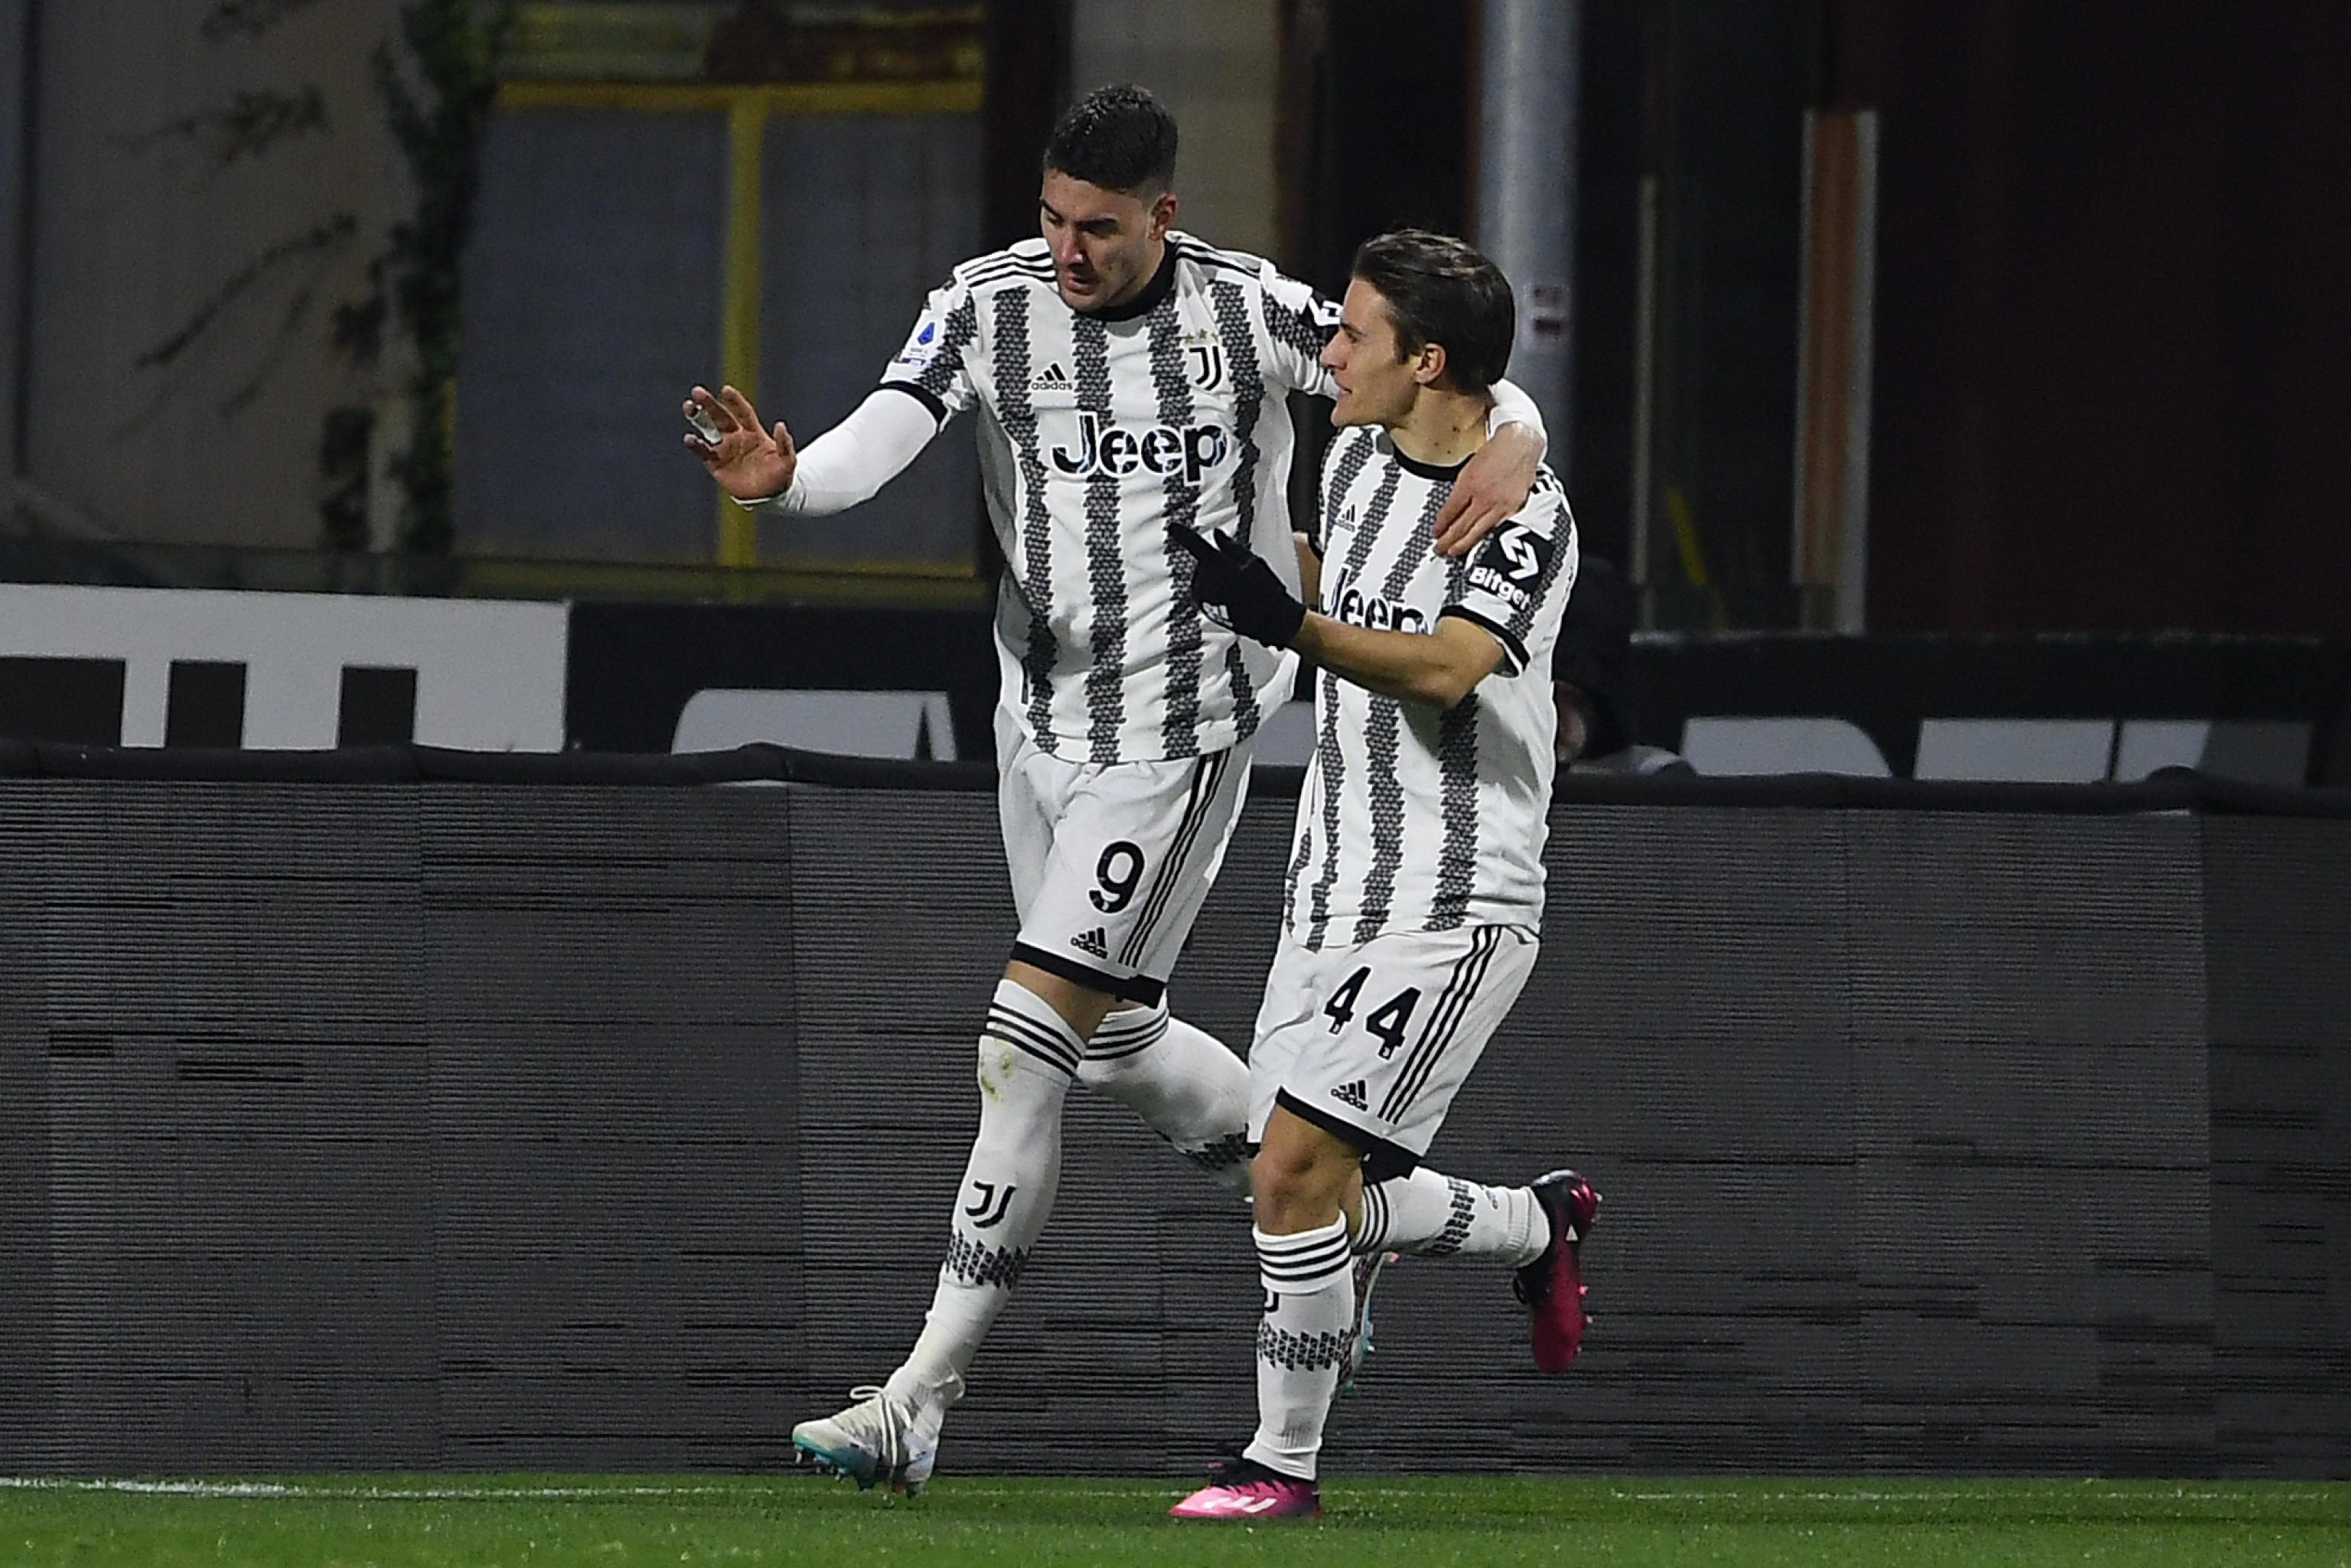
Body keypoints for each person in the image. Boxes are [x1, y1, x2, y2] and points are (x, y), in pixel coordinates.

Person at [682, 86, 1554, 1497]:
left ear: (1163, 215)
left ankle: (917, 1398)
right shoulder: (987, 306)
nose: (1067, 250)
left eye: (1097, 226)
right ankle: (1472, 1220)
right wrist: (783, 485)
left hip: (1177, 737)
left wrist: (1520, 427)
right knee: (1122, 1045)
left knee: (1024, 1040)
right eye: (1051, 219)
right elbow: (880, 432)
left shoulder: (1247, 311)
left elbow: (1432, 368)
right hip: (1037, 722)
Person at [1165, 230, 1600, 1521]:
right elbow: (1342, 578)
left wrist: (1286, 622)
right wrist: (1251, 571)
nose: (1332, 351)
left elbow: (1449, 668)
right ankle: (1536, 1225)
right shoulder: (1356, 455)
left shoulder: (1524, 508)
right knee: (1298, 1183)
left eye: (1355, 336)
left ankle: (1279, 1465)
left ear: (1428, 362)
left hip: (1457, 895)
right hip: (1330, 882)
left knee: (1298, 1171)